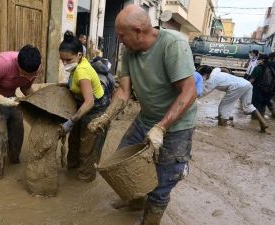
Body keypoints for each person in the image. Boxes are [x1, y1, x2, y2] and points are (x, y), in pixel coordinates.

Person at [88, 5, 197, 225]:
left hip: (176, 126)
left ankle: (150, 220)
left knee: (162, 183)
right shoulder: (129, 51)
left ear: (138, 30)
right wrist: (106, 117)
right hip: (145, 118)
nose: (119, 40)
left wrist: (161, 128)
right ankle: (136, 201)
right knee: (122, 162)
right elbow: (124, 91)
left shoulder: (173, 45)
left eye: (121, 35)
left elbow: (190, 91)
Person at [0, 45, 42, 180]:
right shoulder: (2, 64)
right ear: (17, 64)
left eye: (31, 75)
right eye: (25, 74)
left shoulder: (35, 67)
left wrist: (38, 104)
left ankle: (14, 161)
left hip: (9, 96)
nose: (29, 77)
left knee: (17, 130)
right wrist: (1, 100)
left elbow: (26, 87)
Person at [58, 31, 110, 182]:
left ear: (79, 55)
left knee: (88, 149)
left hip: (96, 110)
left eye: (68, 59)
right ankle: (72, 172)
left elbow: (90, 102)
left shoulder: (82, 71)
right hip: (82, 105)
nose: (65, 64)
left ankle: (84, 179)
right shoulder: (77, 66)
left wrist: (70, 122)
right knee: (73, 142)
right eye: (62, 60)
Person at [197, 66, 268, 132]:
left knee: (224, 106)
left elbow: (201, 94)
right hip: (246, 84)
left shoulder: (210, 81)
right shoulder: (215, 71)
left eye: (202, 76)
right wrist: (228, 75)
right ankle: (263, 123)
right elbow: (220, 68)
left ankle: (222, 127)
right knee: (247, 106)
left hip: (236, 86)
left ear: (205, 74)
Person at [250, 54, 275, 118]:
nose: (258, 60)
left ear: (262, 60)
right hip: (267, 89)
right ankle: (262, 117)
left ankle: (255, 119)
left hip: (257, 89)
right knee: (263, 104)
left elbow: (252, 80)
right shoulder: (270, 68)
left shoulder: (258, 68)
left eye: (259, 59)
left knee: (255, 104)